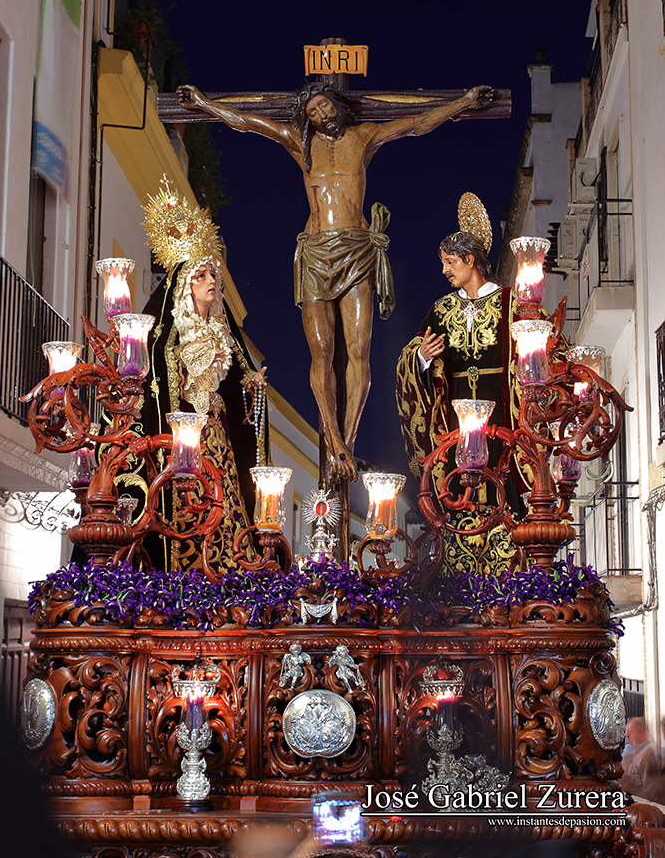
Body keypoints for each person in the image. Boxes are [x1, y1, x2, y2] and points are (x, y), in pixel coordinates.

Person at [176, 79, 493, 484]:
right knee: (321, 353)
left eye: (324, 106)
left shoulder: (364, 137)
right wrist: (204, 103)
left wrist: (463, 100)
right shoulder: (301, 144)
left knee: (359, 350)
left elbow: (416, 123)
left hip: (356, 249)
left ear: (337, 104)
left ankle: (349, 440)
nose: (321, 115)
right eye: (312, 112)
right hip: (315, 251)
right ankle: (334, 440)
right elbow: (248, 122)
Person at [123, 180, 267, 574]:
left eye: (213, 274)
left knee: (225, 497)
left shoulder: (223, 331)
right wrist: (189, 362)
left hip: (218, 431)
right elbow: (160, 365)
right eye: (201, 275)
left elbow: (239, 381)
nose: (211, 280)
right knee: (191, 498)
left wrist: (251, 386)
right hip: (186, 434)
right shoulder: (173, 334)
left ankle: (229, 568)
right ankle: (185, 568)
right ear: (186, 286)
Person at [396, 194, 521, 575]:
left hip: (502, 414)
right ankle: (458, 570)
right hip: (454, 419)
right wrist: (421, 356)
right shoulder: (441, 309)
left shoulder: (510, 303)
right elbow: (412, 355)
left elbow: (539, 344)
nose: (445, 271)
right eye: (444, 263)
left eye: (450, 262)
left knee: (502, 482)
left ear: (470, 260)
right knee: (459, 487)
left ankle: (508, 570)